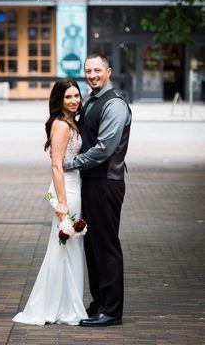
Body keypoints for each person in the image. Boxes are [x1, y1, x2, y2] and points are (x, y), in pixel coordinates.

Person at [12, 79, 88, 325]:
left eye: (77, 95)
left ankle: (62, 304)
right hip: (67, 191)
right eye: (68, 97)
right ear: (59, 100)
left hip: (67, 188)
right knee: (65, 248)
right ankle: (63, 307)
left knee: (65, 248)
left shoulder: (69, 122)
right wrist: (63, 203)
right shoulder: (62, 126)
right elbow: (56, 165)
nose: (74, 100)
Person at [64, 54, 132, 327]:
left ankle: (112, 311)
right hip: (91, 182)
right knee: (91, 244)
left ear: (109, 71)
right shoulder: (91, 100)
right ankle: (99, 303)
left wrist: (70, 164)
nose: (92, 75)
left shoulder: (114, 104)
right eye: (88, 71)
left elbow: (104, 148)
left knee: (106, 246)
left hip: (106, 183)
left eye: (97, 70)